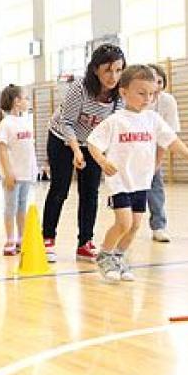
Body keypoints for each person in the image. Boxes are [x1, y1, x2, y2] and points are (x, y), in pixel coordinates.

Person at [86, 65, 188, 282]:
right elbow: (93, 143)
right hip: (119, 181)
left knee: (136, 225)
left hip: (141, 182)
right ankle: (105, 255)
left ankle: (119, 257)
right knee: (124, 223)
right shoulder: (115, 120)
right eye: (141, 93)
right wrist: (102, 160)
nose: (147, 98)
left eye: (152, 94)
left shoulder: (153, 119)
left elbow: (171, 140)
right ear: (123, 92)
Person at [42, 43, 126, 263]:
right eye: (108, 70)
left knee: (90, 193)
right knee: (59, 188)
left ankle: (85, 243)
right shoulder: (80, 88)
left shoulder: (119, 95)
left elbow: (113, 127)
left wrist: (102, 156)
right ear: (96, 69)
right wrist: (76, 150)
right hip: (62, 138)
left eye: (118, 70)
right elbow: (66, 122)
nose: (113, 76)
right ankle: (47, 238)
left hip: (92, 144)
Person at [0, 84, 37, 256]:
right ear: (16, 101)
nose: (28, 101)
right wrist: (8, 172)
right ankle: (10, 239)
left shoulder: (26, 121)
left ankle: (21, 238)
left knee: (22, 207)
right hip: (13, 175)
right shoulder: (6, 124)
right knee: (10, 207)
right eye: (25, 98)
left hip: (26, 173)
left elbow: (29, 149)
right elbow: (2, 149)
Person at [146, 64, 180, 243]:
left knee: (156, 187)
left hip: (153, 149)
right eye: (152, 81)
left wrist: (157, 162)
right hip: (132, 149)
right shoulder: (136, 99)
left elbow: (167, 135)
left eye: (159, 81)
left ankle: (159, 226)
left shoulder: (167, 102)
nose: (156, 86)